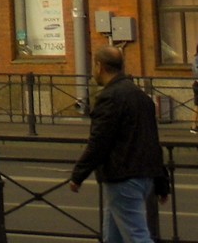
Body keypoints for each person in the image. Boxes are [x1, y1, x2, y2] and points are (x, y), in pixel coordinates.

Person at [69, 45, 170, 243]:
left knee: (136, 236)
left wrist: (78, 175)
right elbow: (152, 141)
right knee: (113, 237)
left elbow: (99, 141)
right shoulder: (141, 97)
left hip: (123, 176)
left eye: (94, 66)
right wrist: (161, 182)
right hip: (145, 175)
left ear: (100, 66)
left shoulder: (109, 97)